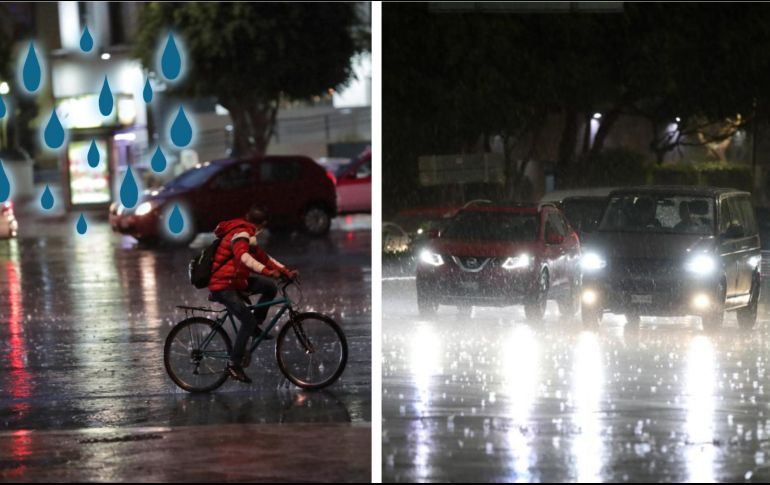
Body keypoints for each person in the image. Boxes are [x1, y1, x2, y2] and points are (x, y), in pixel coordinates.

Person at [208, 206, 299, 383]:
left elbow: (264, 258)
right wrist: (266, 271)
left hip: (234, 281)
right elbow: (244, 257)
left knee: (269, 288)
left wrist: (285, 271)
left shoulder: (247, 233)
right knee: (247, 322)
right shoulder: (242, 233)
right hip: (223, 285)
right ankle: (234, 365)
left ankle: (255, 326)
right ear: (261, 224)